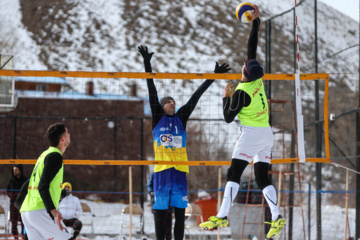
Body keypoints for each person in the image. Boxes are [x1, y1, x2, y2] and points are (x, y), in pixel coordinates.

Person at [199, 5, 286, 239]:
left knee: (233, 174)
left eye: (242, 67)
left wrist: (225, 98)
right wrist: (255, 22)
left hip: (251, 135)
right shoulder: (257, 80)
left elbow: (228, 118)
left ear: (245, 73)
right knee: (262, 178)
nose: (242, 65)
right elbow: (252, 47)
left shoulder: (241, 92)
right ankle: (277, 216)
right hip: (267, 134)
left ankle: (222, 214)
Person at [138, 45, 231, 240]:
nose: (171, 103)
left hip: (180, 172)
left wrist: (213, 76)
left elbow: (196, 96)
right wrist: (147, 63)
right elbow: (151, 88)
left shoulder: (181, 118)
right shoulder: (157, 117)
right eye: (167, 102)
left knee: (180, 214)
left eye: (173, 101)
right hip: (162, 172)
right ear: (161, 107)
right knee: (161, 214)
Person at [20, 123, 73, 240]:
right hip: (40, 210)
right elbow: (42, 185)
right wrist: (54, 211)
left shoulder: (45, 154)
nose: (70, 135)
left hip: (28, 210)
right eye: (68, 132)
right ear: (62, 139)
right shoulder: (55, 156)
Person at [147, 173, 173, 240]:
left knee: (168, 227)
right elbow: (149, 186)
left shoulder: (169, 174)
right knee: (159, 226)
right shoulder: (154, 174)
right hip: (157, 203)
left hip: (168, 204)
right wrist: (151, 192)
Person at [6, 164, 28, 238]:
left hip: (23, 204)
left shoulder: (25, 181)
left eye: (16, 170)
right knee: (13, 222)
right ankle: (15, 237)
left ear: (20, 171)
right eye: (13, 170)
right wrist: (13, 196)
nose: (14, 171)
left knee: (23, 222)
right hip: (13, 204)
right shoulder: (11, 181)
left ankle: (23, 236)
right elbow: (7, 191)